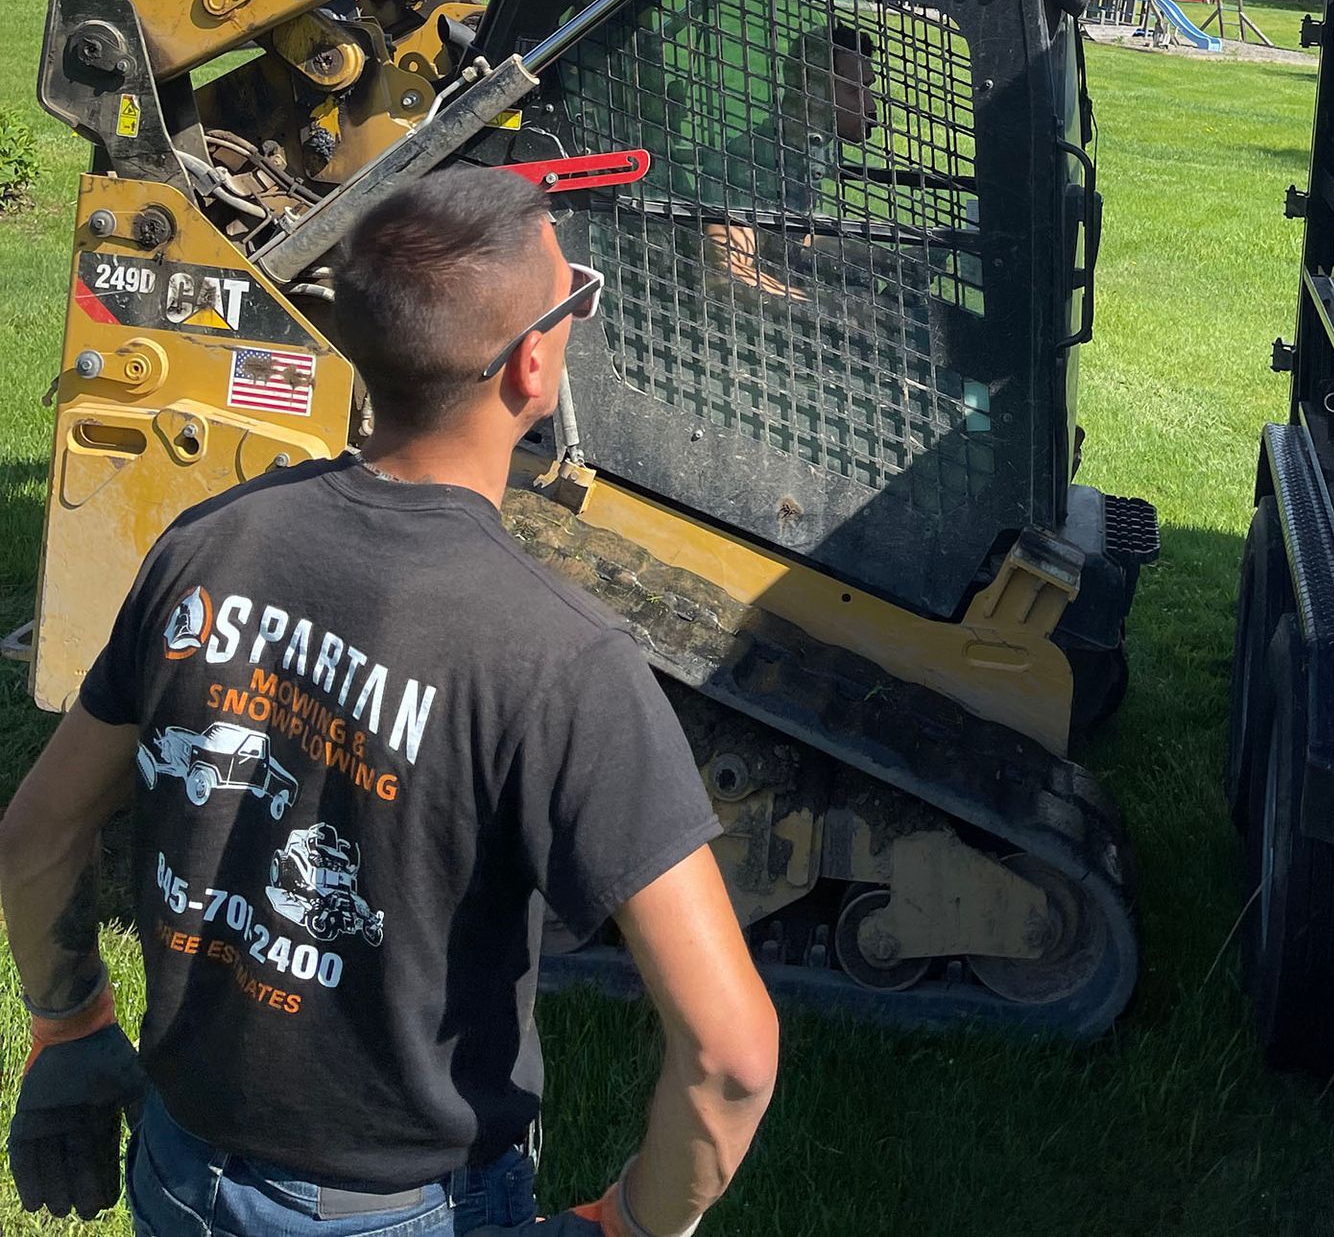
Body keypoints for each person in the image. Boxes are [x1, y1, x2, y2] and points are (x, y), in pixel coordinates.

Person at [0, 167, 778, 1236]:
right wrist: (637, 1223)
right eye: (575, 299)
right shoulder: (562, 658)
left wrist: (73, 1023)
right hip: (405, 1209)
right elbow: (731, 1055)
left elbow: (39, 834)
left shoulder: (207, 542)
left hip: (181, 1168)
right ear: (533, 363)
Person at [701, 19, 878, 295]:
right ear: (814, 91)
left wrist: (880, 259)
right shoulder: (756, 163)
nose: (871, 106)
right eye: (854, 90)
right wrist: (823, 312)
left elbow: (790, 236)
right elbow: (724, 269)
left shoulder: (801, 155)